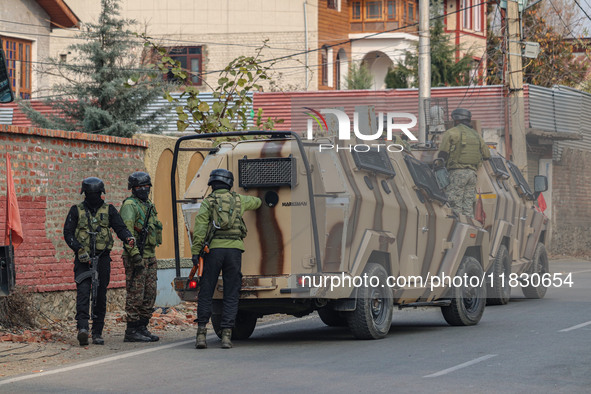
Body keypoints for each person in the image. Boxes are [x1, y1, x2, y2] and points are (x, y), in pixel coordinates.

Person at [192, 169, 261, 349]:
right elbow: (257, 202)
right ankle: (226, 336)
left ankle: (201, 335)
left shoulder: (208, 202)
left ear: (212, 184)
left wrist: (195, 252)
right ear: (229, 184)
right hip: (234, 252)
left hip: (213, 251)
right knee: (231, 293)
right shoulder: (239, 200)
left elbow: (199, 228)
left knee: (206, 292)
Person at [63, 177, 134, 346]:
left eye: (95, 193)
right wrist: (79, 249)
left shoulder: (109, 210)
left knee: (100, 296)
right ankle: (83, 329)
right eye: (89, 193)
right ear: (84, 194)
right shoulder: (76, 210)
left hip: (102, 259)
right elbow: (68, 233)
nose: (92, 196)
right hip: (83, 259)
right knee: (83, 294)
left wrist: (128, 238)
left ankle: (97, 332)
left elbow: (120, 228)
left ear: (101, 194)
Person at [119, 171, 163, 343]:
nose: (144, 189)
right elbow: (127, 234)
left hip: (150, 255)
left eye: (146, 186)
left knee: (149, 294)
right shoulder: (130, 205)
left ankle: (142, 327)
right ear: (133, 188)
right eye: (139, 187)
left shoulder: (148, 205)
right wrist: (135, 256)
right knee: (135, 294)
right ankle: (131, 330)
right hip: (136, 256)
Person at [438, 108, 491, 217]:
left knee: (454, 205)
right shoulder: (477, 135)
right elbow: (487, 155)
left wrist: (438, 167)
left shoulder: (452, 133)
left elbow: (442, 154)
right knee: (468, 206)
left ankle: (457, 230)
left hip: (457, 173)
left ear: (456, 120)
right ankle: (469, 228)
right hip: (472, 175)